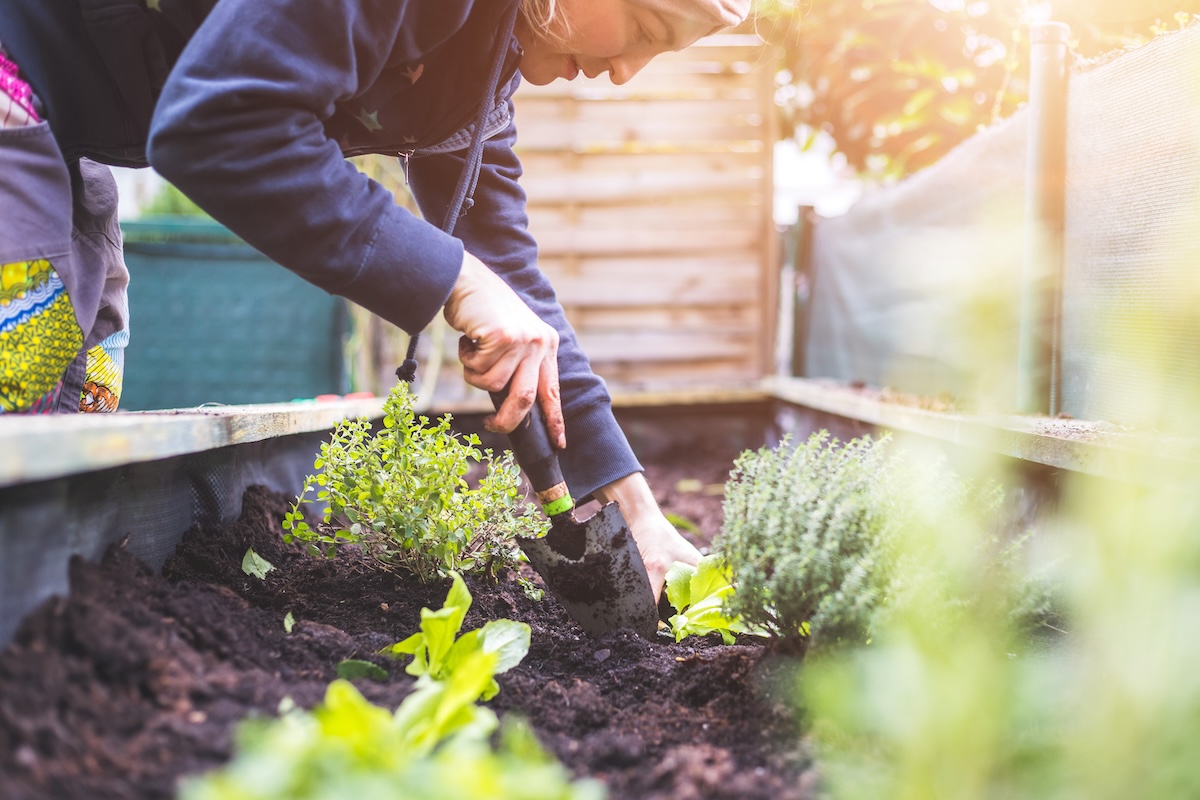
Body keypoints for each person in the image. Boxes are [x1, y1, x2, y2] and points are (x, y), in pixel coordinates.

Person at [0, 0, 750, 597]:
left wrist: (634, 508)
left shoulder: (480, 61)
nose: (628, 72)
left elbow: (513, 285)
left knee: (69, 427)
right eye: (645, 28)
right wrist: (455, 280)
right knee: (18, 396)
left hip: (69, 122)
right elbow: (218, 126)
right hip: (17, 68)